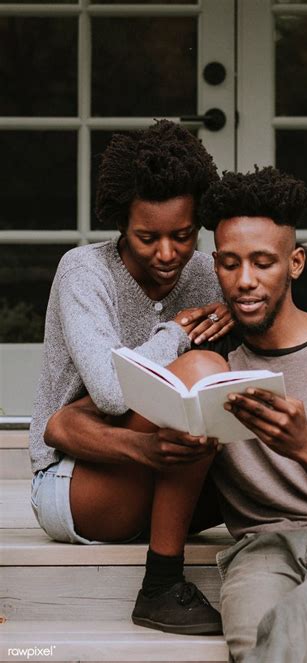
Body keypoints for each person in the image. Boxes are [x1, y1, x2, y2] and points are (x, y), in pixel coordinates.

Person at [43, 165, 307, 641]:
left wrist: (303, 444)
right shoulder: (194, 343)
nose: (244, 279)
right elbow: (68, 419)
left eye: (262, 263)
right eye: (230, 265)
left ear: (296, 263)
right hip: (184, 511)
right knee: (259, 633)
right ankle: (162, 578)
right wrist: (175, 350)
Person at [29, 120, 235, 635]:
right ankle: (162, 583)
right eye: (148, 237)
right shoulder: (84, 271)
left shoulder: (207, 273)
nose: (167, 254)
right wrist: (178, 333)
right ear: (121, 223)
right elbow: (114, 392)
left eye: (183, 236)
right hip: (74, 482)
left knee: (215, 391)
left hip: (168, 469)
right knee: (200, 372)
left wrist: (236, 313)